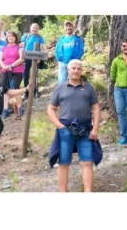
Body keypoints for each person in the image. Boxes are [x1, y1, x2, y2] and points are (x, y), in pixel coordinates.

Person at [47, 59, 100, 192]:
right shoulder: (60, 88)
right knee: (63, 163)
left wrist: (95, 128)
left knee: (87, 162)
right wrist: (60, 126)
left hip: (85, 129)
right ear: (68, 70)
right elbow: (50, 109)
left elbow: (96, 108)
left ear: (81, 71)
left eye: (78, 68)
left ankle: (88, 192)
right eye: (73, 68)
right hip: (65, 130)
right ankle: (63, 192)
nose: (76, 71)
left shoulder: (88, 87)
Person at [0, 31, 24, 119]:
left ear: (16, 38)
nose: (11, 38)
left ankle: (20, 107)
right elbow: (0, 59)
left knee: (15, 87)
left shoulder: (19, 47)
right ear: (7, 38)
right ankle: (5, 109)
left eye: (13, 36)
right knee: (5, 89)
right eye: (9, 36)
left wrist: (11, 66)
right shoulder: (4, 48)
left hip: (17, 70)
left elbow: (21, 59)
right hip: (4, 70)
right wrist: (4, 66)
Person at [20, 23, 45, 99]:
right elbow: (22, 46)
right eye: (33, 28)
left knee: (35, 75)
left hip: (35, 58)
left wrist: (39, 58)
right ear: (30, 28)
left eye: (36, 28)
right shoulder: (26, 36)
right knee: (26, 75)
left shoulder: (40, 37)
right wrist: (22, 56)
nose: (34, 29)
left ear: (38, 29)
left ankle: (35, 91)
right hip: (27, 57)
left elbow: (42, 48)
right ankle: (26, 92)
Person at [55, 20, 84, 84]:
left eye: (70, 26)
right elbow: (57, 50)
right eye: (66, 26)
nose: (68, 28)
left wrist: (75, 60)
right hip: (62, 63)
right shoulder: (61, 39)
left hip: (73, 64)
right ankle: (61, 94)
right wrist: (59, 59)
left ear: (73, 27)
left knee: (72, 82)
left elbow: (81, 50)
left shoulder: (77, 39)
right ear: (64, 28)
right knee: (61, 82)